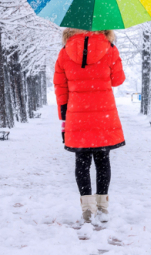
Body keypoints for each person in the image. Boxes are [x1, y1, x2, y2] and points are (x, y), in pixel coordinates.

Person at [53, 28, 126, 224]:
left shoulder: (64, 52)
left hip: (77, 115)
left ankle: (87, 209)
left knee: (82, 162)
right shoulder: (109, 49)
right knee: (103, 160)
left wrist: (64, 118)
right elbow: (118, 80)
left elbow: (60, 88)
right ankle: (102, 207)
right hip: (104, 114)